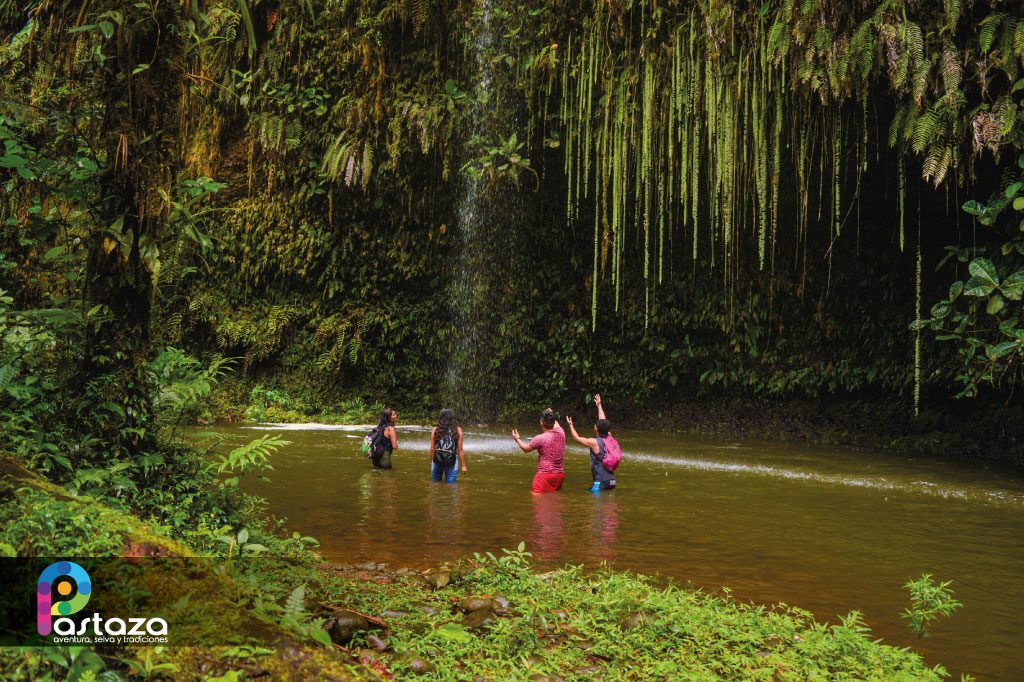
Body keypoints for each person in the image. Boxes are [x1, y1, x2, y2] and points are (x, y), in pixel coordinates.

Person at [566, 393, 619, 493]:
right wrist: (599, 405)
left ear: (596, 428)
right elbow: (603, 420)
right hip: (611, 481)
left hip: (600, 482)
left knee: (595, 506)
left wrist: (570, 425)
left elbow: (576, 438)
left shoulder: (594, 443)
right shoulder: (610, 437)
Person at [512, 408, 565, 493]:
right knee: (554, 500)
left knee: (537, 501)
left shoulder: (540, 438)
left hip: (544, 476)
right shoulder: (561, 432)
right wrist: (550, 413)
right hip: (559, 476)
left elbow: (526, 449)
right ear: (553, 421)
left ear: (541, 423)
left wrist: (517, 439)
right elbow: (556, 424)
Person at [429, 408, 467, 483]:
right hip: (451, 462)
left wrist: (433, 461)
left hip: (437, 461)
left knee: (435, 485)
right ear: (452, 418)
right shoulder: (458, 430)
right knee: (451, 487)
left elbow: (432, 449)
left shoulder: (436, 429)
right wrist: (463, 465)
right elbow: (460, 450)